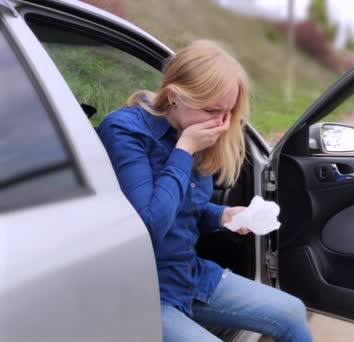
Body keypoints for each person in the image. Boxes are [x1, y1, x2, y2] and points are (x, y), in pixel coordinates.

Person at [97, 39, 312, 342]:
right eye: (213, 110)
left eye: (228, 112)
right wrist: (184, 150)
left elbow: (186, 210)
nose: (222, 125)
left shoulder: (196, 129)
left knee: (292, 311)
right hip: (140, 289)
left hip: (186, 274)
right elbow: (148, 226)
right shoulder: (126, 130)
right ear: (174, 97)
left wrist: (222, 215)